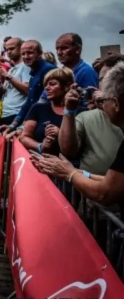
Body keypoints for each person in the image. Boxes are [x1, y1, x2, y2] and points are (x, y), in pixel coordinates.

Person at [33, 62, 124, 213]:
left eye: (104, 100)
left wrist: (70, 174)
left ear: (115, 103)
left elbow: (105, 192)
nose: (101, 101)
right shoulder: (84, 117)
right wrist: (74, 171)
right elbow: (111, 181)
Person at [19, 68, 82, 157]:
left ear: (66, 87)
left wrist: (60, 134)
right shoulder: (38, 108)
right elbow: (24, 137)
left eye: (52, 84)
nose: (47, 88)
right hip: (40, 161)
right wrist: (40, 146)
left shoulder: (80, 112)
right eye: (46, 85)